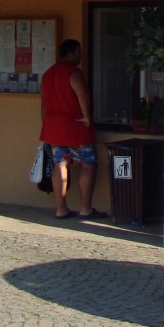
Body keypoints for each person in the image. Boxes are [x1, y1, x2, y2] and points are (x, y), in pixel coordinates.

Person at [39, 39, 106, 220]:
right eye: (78, 52)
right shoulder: (73, 72)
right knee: (88, 164)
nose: (80, 56)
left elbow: (43, 104)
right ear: (71, 53)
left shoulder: (47, 74)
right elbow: (82, 94)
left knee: (60, 164)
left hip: (54, 129)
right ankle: (86, 209)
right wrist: (86, 116)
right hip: (75, 127)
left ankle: (61, 209)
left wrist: (46, 125)